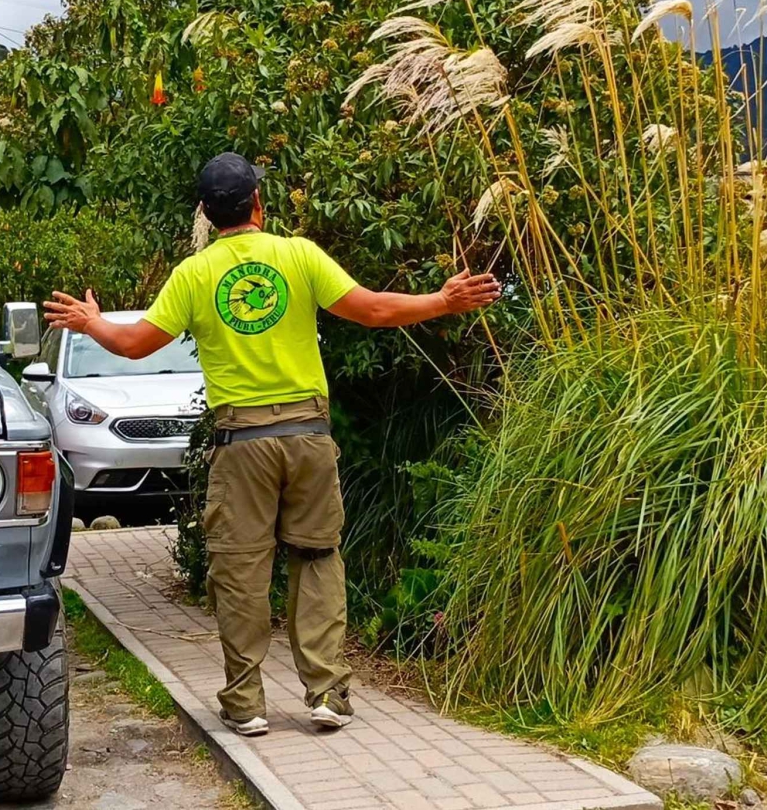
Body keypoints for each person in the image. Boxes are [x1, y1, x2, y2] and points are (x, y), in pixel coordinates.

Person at [43, 153, 501, 736]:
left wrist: (91, 322)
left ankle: (246, 704)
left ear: (206, 214)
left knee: (239, 571)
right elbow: (375, 309)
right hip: (309, 437)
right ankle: (328, 694)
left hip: (242, 443)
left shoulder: (195, 274)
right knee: (316, 558)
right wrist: (443, 300)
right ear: (259, 203)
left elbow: (134, 345)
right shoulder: (299, 255)